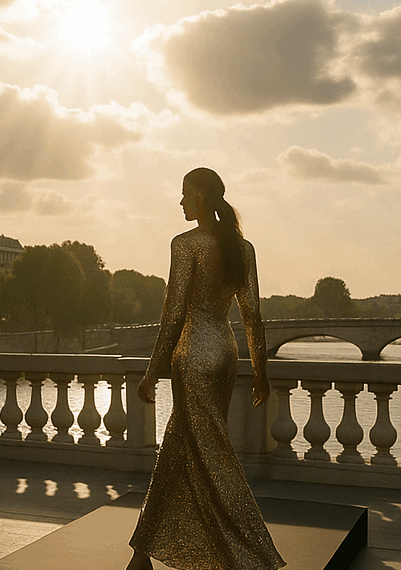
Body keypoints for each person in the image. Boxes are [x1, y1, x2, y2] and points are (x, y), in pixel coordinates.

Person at [126, 168, 285, 570]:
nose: (179, 202)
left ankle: (251, 550)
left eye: (184, 194)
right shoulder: (241, 247)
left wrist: (152, 370)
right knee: (179, 449)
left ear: (200, 198)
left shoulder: (185, 244)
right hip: (225, 352)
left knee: (209, 453)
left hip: (193, 353)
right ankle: (141, 553)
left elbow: (175, 313)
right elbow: (252, 315)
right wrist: (261, 371)